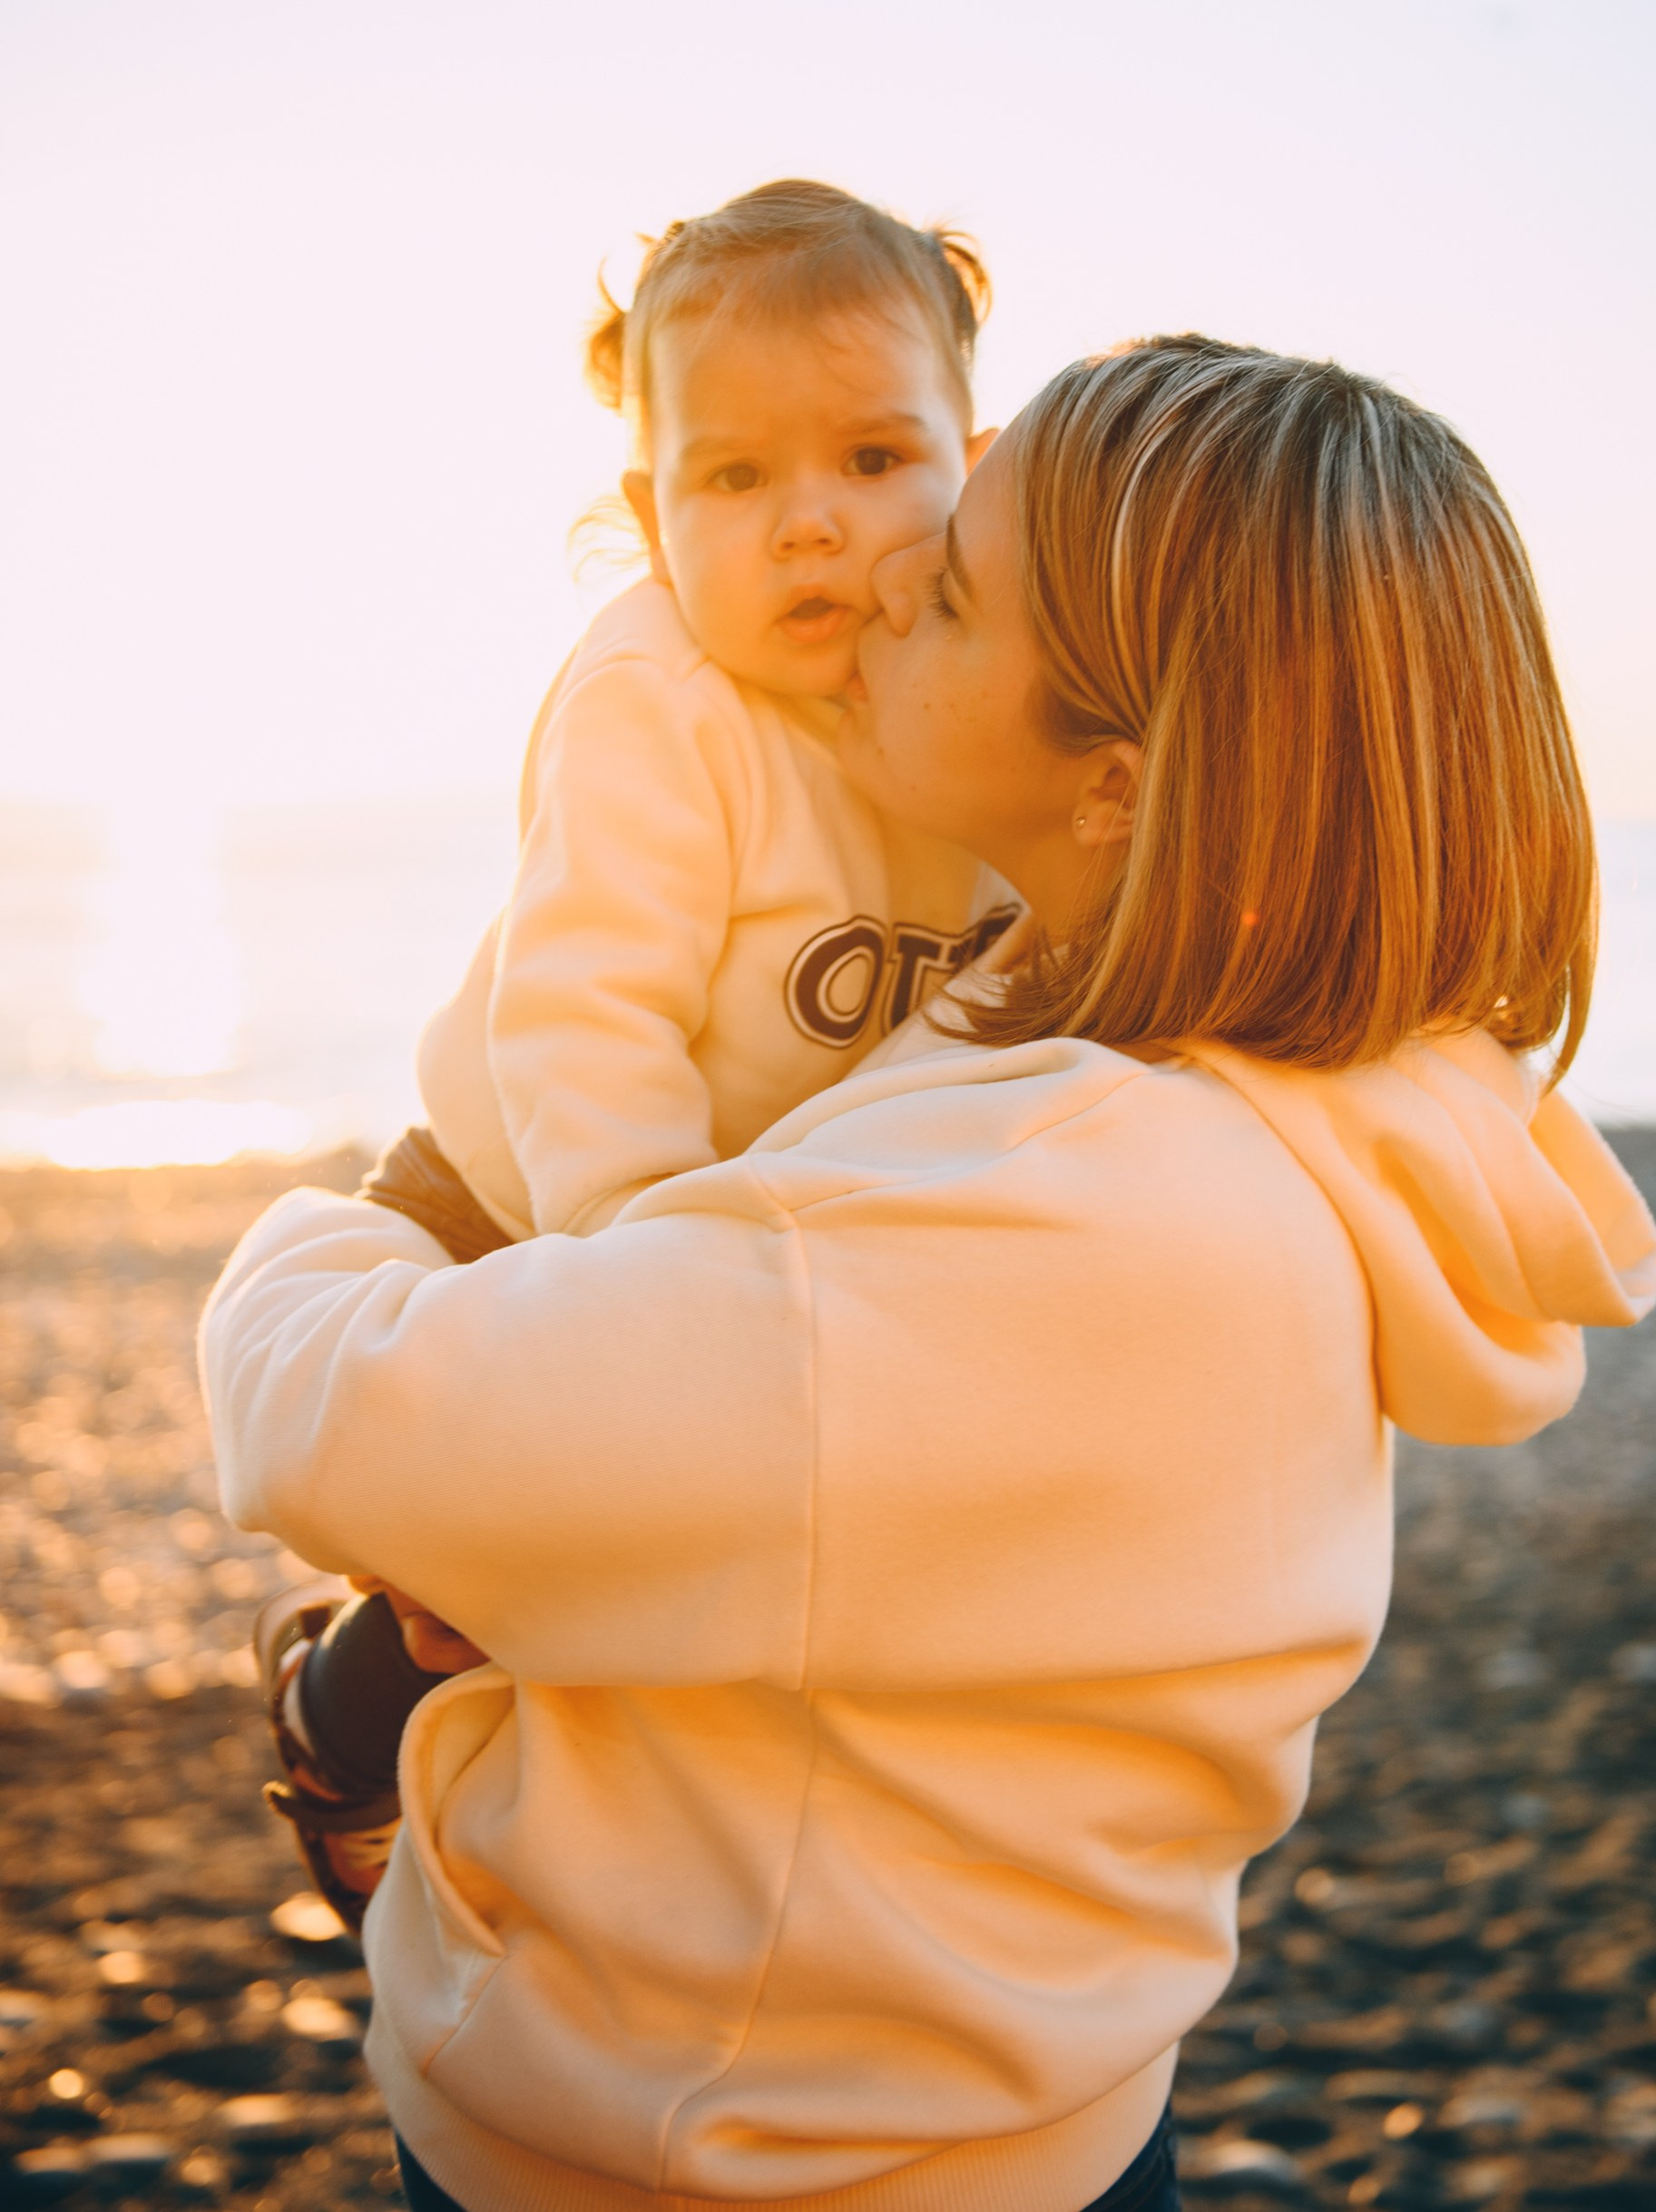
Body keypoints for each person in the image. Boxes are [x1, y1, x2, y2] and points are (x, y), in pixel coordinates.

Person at [202, 335, 1656, 2212]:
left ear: (1122, 785)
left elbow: (346, 1417)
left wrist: (352, 1226)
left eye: (956, 582)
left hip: (711, 2159)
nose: (885, 580)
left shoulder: (1005, 1229)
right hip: (1041, 2107)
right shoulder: (1317, 1111)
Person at [254, 180, 1014, 1928]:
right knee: (485, 1574)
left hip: (717, 1213)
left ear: (973, 458)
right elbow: (587, 1013)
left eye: (874, 461)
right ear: (649, 512)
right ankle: (338, 1702)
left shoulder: (962, 693)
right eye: (736, 479)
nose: (811, 525)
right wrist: (641, 1279)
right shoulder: (660, 697)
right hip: (521, 1185)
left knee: (622, 1581)